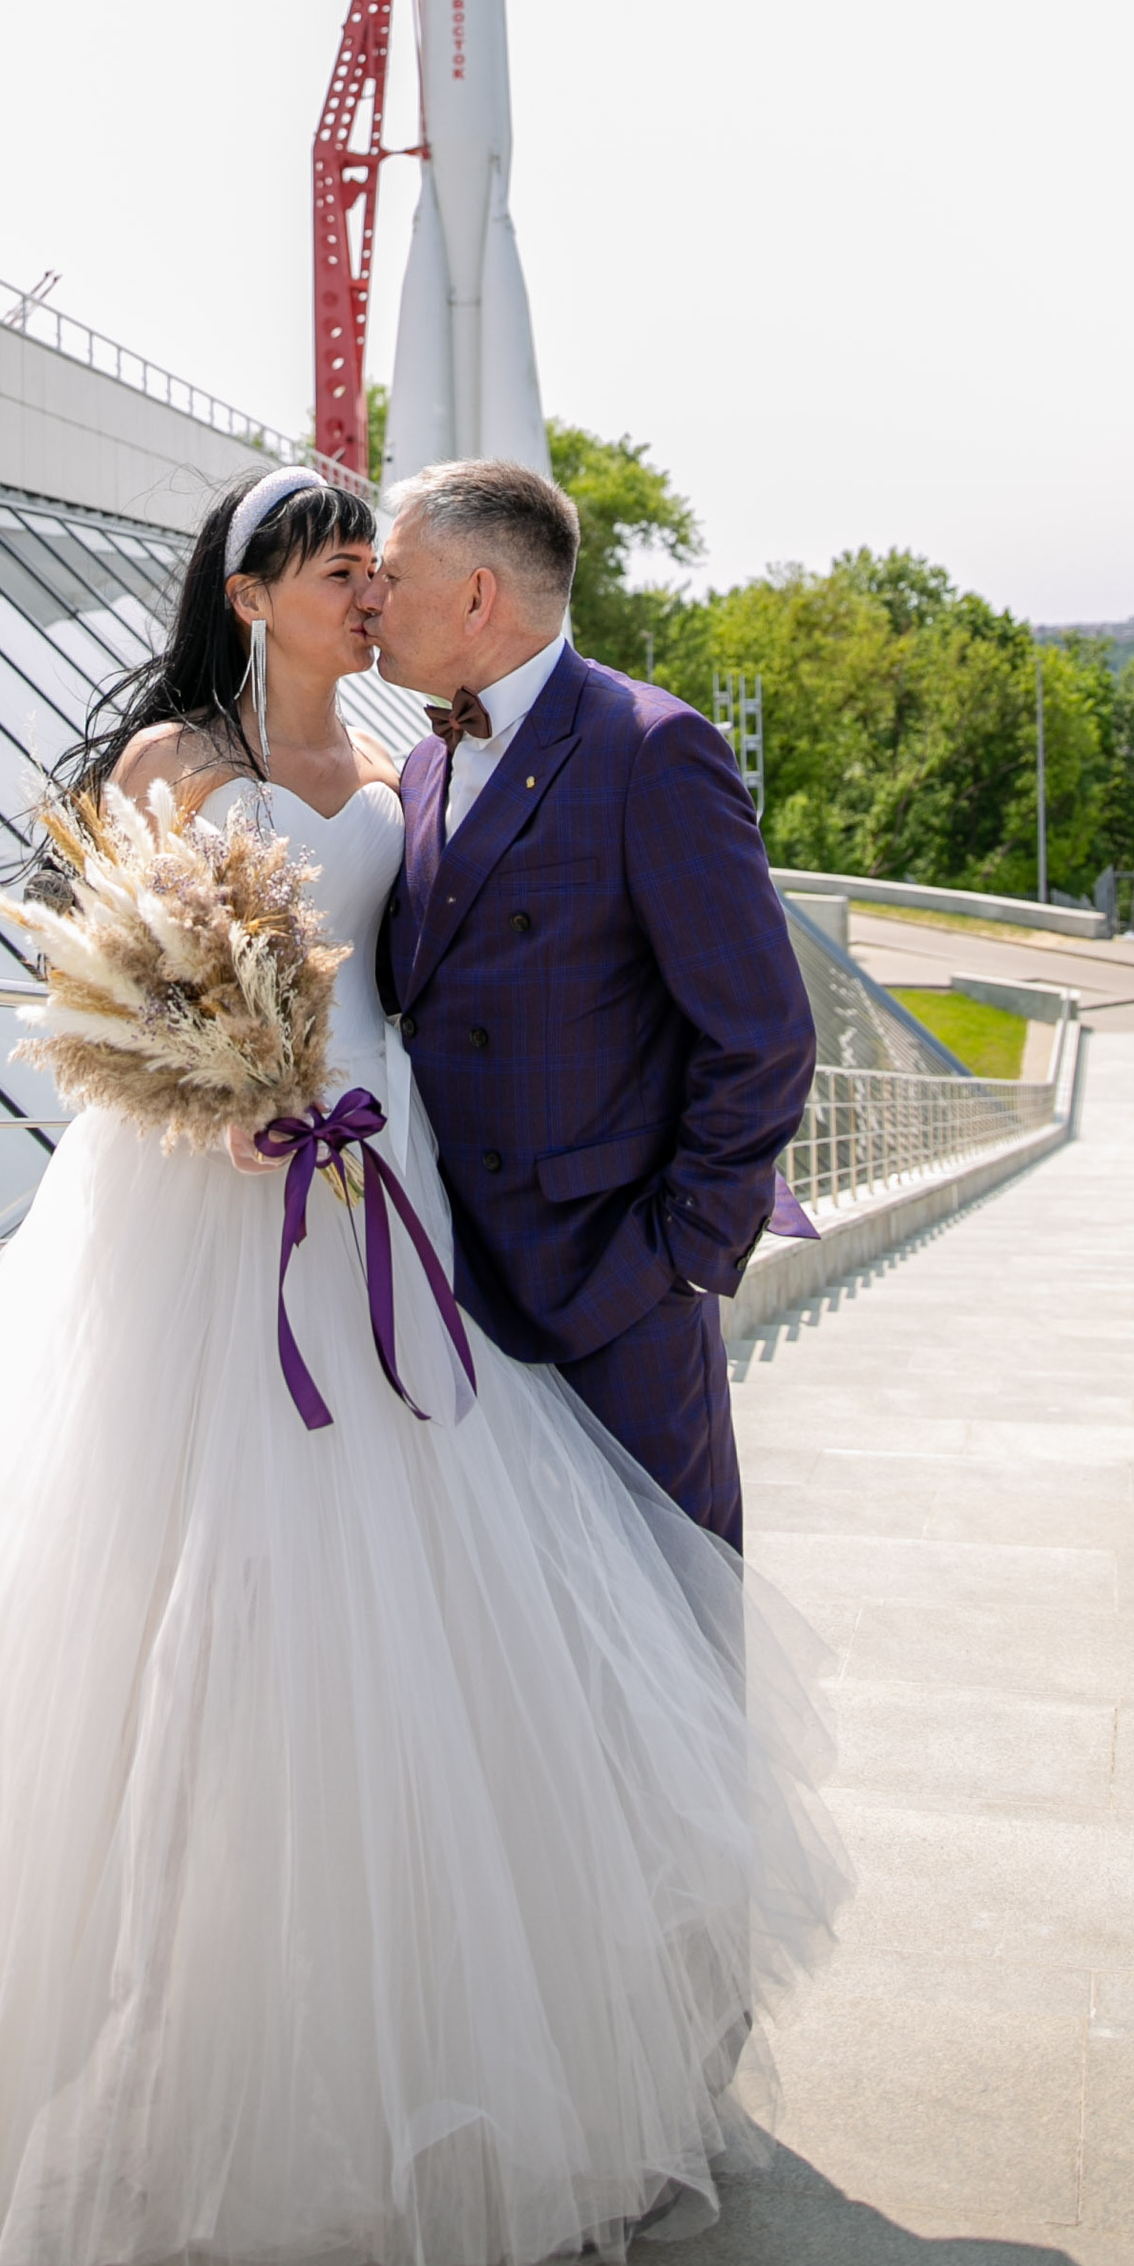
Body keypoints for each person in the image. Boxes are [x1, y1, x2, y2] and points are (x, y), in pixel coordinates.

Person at [0, 465, 839, 2266]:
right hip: (207, 1213)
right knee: (148, 1604)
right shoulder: (186, 765)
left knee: (411, 1637)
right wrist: (220, 1076)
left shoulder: (414, 761)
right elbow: (115, 994)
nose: (371, 601)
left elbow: (633, 1004)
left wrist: (674, 1241)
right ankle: (134, 2053)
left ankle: (430, 2030)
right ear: (256, 594)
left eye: (388, 575)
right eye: (346, 576)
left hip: (397, 1200)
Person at [363, 460, 816, 1550]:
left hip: (613, 1305)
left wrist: (671, 1263)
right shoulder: (424, 764)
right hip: (451, 1299)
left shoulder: (649, 750)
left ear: (477, 596)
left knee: (664, 1647)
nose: (368, 598)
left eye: (388, 574)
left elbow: (763, 1039)